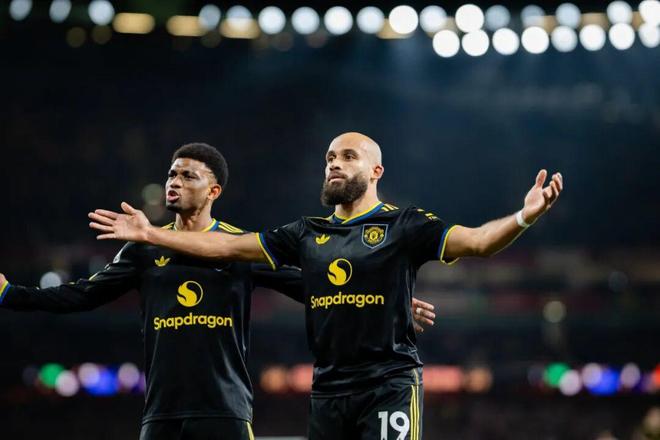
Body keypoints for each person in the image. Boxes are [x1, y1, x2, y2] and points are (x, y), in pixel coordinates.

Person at [88, 132, 563, 439]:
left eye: (348, 157)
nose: (334, 163)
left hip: (388, 384)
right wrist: (152, 235)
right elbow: (227, 246)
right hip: (327, 391)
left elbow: (478, 242)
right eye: (330, 157)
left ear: (375, 172)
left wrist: (523, 216)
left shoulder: (404, 224)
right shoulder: (305, 233)